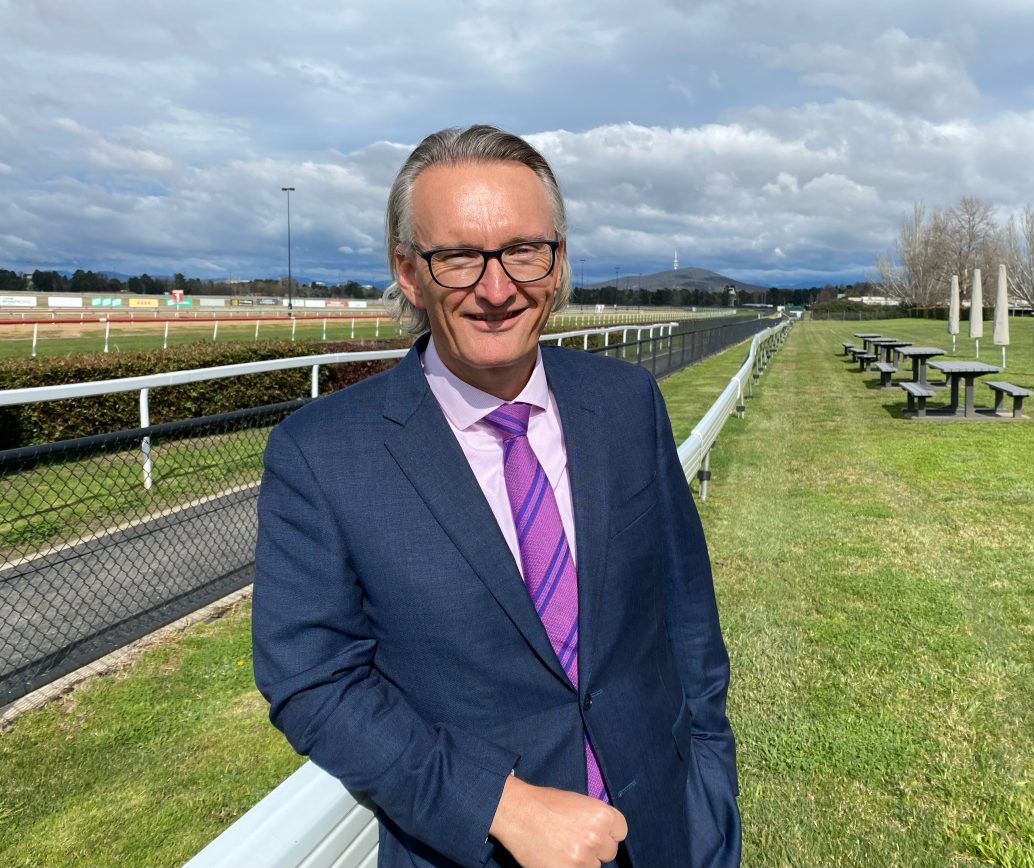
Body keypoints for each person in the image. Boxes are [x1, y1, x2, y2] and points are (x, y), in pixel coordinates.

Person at [252, 125, 740, 867]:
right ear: (409, 273)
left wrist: (710, 788)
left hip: (668, 830)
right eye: (458, 257)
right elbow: (312, 681)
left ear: (557, 260)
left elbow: (686, 615)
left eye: (523, 250)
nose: (496, 287)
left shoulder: (625, 401)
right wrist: (498, 804)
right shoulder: (322, 453)